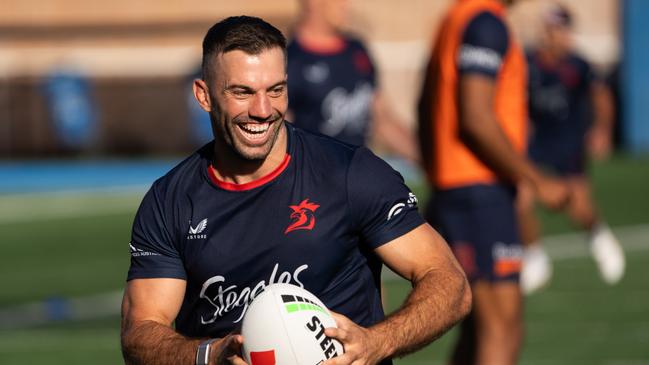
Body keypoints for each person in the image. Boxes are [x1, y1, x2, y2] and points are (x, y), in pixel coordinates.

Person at [121, 16, 471, 365]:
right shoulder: (169, 202)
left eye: (275, 90)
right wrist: (210, 356)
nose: (262, 110)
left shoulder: (350, 174)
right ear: (204, 95)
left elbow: (449, 282)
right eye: (242, 92)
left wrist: (378, 341)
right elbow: (140, 332)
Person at [417, 0, 569, 363]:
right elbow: (475, 116)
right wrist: (535, 178)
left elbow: (425, 104)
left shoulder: (457, 17)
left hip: (458, 190)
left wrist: (439, 177)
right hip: (480, 194)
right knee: (502, 329)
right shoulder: (485, 22)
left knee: (477, 332)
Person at [517, 4, 625, 294]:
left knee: (579, 205)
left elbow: (601, 98)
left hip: (568, 140)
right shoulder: (528, 63)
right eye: (553, 30)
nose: (557, 36)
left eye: (562, 30)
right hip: (536, 142)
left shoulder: (578, 66)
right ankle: (534, 256)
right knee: (522, 198)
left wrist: (601, 129)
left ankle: (599, 236)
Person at [287, 0, 419, 162]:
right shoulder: (289, 61)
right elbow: (280, 138)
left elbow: (383, 120)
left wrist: (428, 160)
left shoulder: (357, 50)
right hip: (315, 180)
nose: (346, 4)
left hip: (356, 177)